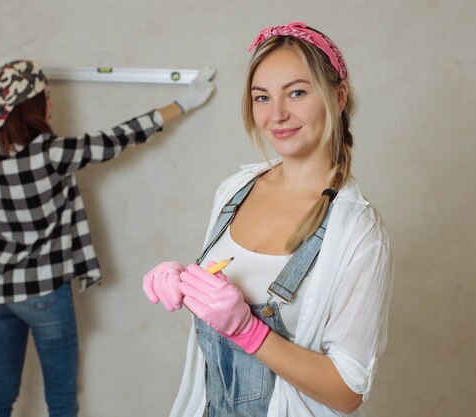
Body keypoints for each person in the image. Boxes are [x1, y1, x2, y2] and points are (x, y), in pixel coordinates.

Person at [142, 22, 393, 417]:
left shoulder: (356, 229)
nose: (277, 115)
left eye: (296, 92)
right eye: (262, 97)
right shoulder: (234, 189)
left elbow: (347, 392)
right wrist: (186, 281)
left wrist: (250, 331)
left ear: (338, 96)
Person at [0, 59, 215, 417]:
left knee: (0, 390)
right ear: (33, 105)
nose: (52, 101)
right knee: (61, 398)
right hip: (43, 293)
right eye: (45, 95)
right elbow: (118, 137)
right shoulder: (52, 154)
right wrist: (184, 103)